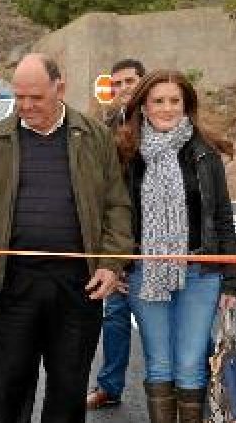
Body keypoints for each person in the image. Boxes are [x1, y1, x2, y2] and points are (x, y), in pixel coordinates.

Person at [0, 54, 134, 423]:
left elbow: (117, 206)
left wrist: (110, 263)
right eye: (20, 97)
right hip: (13, 284)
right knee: (12, 384)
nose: (26, 106)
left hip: (78, 286)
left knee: (69, 386)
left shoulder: (95, 137)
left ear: (60, 88)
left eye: (36, 98)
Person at [113, 70, 236, 423]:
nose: (167, 109)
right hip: (143, 273)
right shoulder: (125, 152)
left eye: (175, 101)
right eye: (158, 101)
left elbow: (223, 219)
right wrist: (116, 264)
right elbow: (114, 216)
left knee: (189, 364)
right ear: (142, 106)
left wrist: (231, 281)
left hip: (201, 273)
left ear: (187, 106)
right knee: (159, 363)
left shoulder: (205, 153)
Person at [88, 57, 147, 409]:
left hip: (157, 243)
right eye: (118, 83)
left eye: (131, 81)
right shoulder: (105, 127)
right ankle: (109, 387)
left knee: (173, 325)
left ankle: (193, 390)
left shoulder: (158, 123)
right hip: (119, 241)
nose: (124, 88)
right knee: (114, 318)